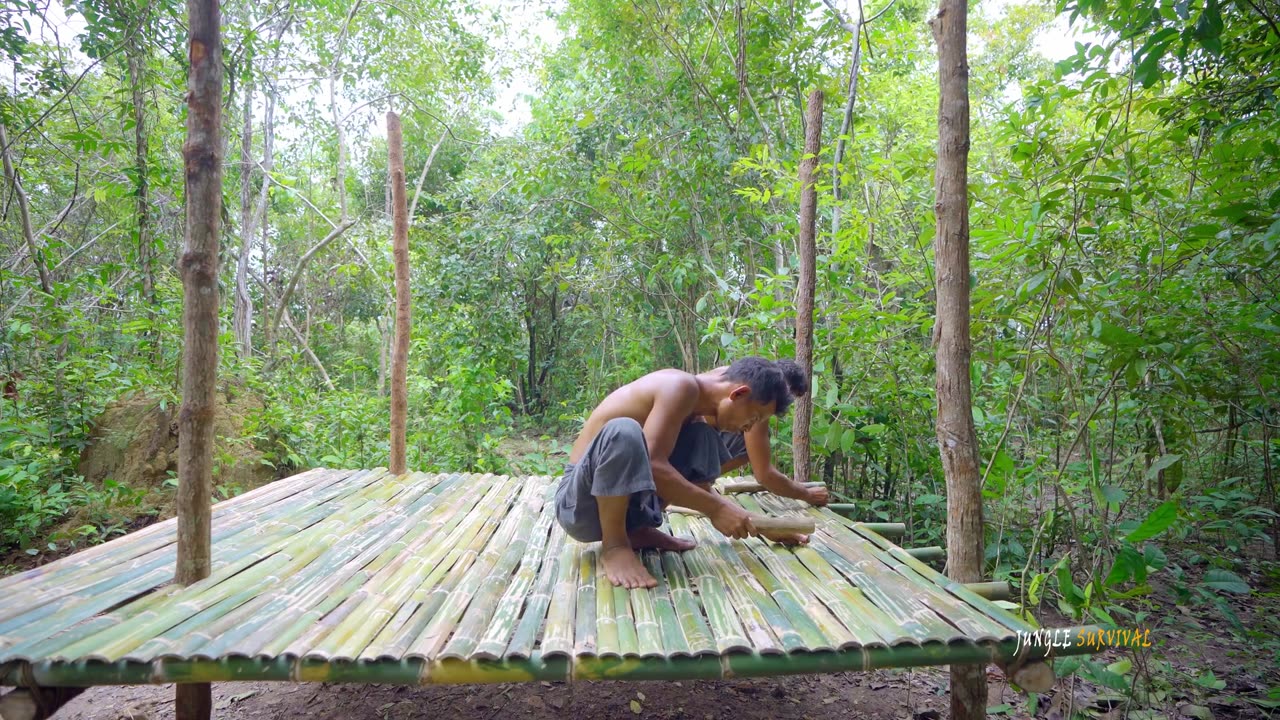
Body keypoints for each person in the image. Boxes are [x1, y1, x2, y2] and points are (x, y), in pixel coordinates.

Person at [555, 357, 795, 589]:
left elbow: (697, 489)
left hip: (626, 510)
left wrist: (760, 525)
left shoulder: (695, 414)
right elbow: (653, 465)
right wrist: (717, 509)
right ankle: (615, 544)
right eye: (754, 417)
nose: (749, 428)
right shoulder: (679, 386)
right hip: (579, 506)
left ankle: (636, 530)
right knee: (624, 431)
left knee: (702, 437)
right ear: (738, 394)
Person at [716, 359, 829, 506]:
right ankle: (696, 478)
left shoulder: (735, 375)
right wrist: (807, 495)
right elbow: (764, 475)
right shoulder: (758, 399)